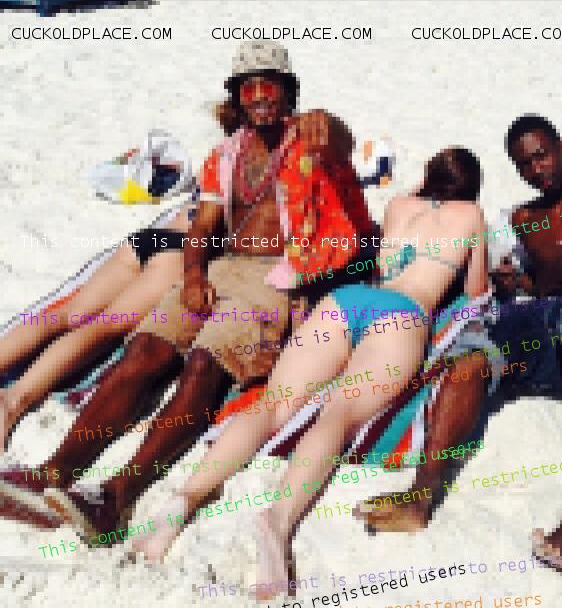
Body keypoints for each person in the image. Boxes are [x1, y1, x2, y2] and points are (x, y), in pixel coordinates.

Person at [0, 40, 375, 536]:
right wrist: (195, 274)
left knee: (203, 364)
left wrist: (329, 121)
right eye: (249, 88)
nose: (260, 97)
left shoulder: (312, 144)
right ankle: (56, 470)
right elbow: (203, 226)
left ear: (289, 92)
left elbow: (341, 144)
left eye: (270, 86)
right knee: (143, 352)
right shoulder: (227, 154)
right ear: (237, 96)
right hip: (222, 268)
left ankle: (116, 498)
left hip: (278, 278)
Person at [128, 147, 488, 597]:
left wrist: (422, 187)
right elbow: (477, 289)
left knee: (273, 404)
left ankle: (186, 496)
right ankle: (277, 522)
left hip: (349, 301)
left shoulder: (399, 205)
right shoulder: (472, 215)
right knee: (339, 413)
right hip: (402, 314)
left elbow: (395, 235)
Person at [358, 114, 562, 574]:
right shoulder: (525, 219)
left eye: (541, 156)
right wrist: (512, 284)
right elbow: (538, 288)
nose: (535, 170)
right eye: (523, 164)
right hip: (551, 317)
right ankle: (421, 495)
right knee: (473, 347)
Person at [0, 204, 194, 451]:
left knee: (69, 313)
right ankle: (12, 401)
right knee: (105, 325)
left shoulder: (213, 177)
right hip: (184, 250)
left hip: (153, 237)